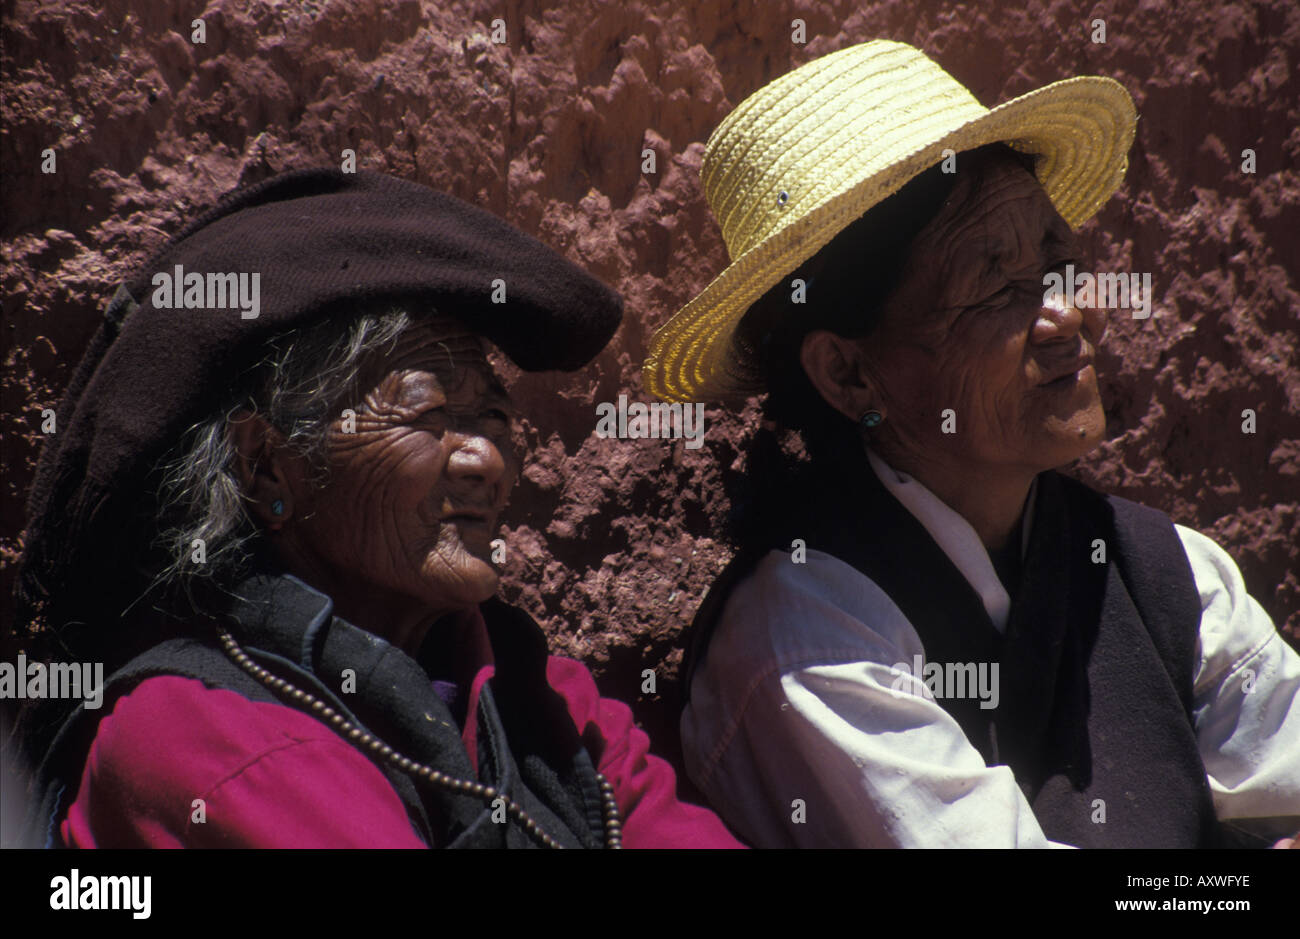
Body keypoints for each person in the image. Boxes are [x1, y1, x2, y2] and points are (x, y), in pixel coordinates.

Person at [643, 40, 1300, 848]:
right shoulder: (809, 640)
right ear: (849, 372)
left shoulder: (1166, 575)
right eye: (998, 286)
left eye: (1060, 263)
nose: (1067, 318)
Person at [13, 168, 743, 849]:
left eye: (491, 417)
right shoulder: (204, 739)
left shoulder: (539, 699)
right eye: (427, 413)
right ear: (269, 466)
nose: (485, 459)